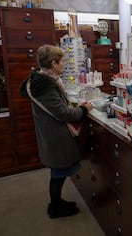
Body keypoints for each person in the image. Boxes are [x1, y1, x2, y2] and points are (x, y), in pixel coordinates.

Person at [19, 44, 93, 219]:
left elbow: (57, 106)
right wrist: (83, 110)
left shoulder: (43, 80)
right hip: (55, 135)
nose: (64, 65)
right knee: (58, 173)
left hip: (51, 132)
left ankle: (57, 202)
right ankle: (55, 207)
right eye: (62, 62)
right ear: (53, 63)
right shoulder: (45, 86)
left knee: (58, 172)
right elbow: (63, 113)